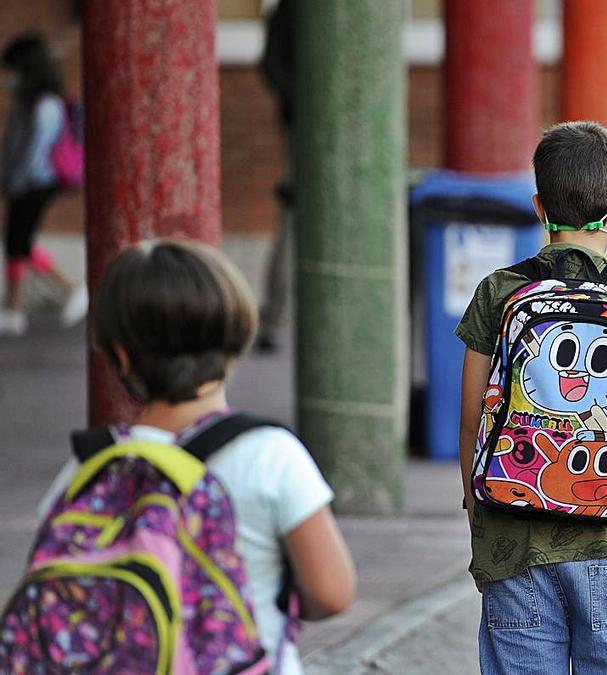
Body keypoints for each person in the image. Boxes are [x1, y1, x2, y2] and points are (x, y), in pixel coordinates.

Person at [37, 239, 357, 673]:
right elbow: (332, 593)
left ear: (121, 356)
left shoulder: (87, 467)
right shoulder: (270, 455)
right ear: (236, 338)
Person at [456, 121, 607, 675]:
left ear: (538, 205)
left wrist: (478, 512)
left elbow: (471, 421)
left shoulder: (498, 290)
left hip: (514, 537)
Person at [0, 33, 87, 336]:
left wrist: (12, 182)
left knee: (18, 242)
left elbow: (32, 153)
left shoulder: (45, 106)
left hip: (37, 182)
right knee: (16, 243)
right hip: (24, 182)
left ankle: (70, 289)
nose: (8, 77)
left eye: (12, 70)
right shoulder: (26, 104)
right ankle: (13, 309)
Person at [256, 0, 295, 353]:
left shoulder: (285, 9)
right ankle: (274, 319)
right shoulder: (289, 9)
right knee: (292, 221)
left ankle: (274, 320)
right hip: (303, 132)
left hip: (302, 127)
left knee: (291, 222)